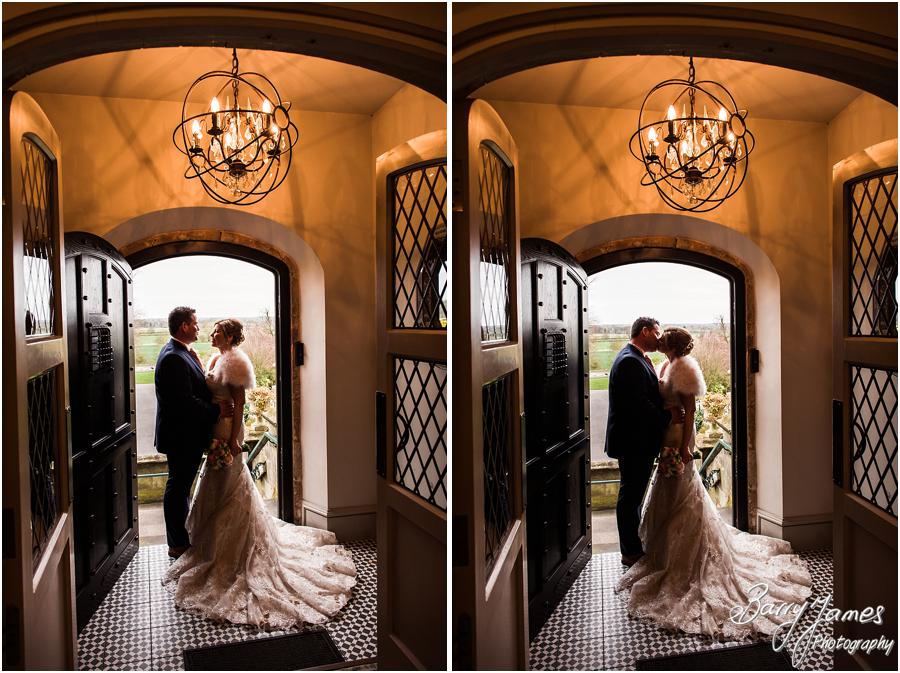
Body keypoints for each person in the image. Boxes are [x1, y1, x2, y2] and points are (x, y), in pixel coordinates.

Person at [616, 327, 812, 640]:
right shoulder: (665, 365)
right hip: (667, 434)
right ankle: (663, 550)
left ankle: (688, 555)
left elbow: (690, 410)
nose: (660, 338)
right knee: (667, 492)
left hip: (679, 439)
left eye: (664, 336)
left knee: (684, 492)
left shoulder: (684, 368)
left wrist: (683, 448)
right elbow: (665, 402)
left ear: (672, 344)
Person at [162, 318, 357, 629]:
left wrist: (235, 439)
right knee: (213, 485)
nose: (210, 333)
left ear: (228, 336)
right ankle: (208, 543)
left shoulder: (237, 361)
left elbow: (240, 404)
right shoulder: (214, 357)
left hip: (226, 432)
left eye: (216, 331)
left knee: (231, 485)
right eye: (209, 328)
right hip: (213, 428)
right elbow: (206, 386)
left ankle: (235, 550)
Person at [155, 306, 233, 559]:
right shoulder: (173, 357)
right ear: (184, 326)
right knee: (177, 488)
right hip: (181, 436)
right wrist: (216, 410)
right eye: (196, 323)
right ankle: (177, 543)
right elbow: (183, 402)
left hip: (185, 435)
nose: (199, 328)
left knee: (180, 487)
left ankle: (180, 539)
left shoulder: (181, 352)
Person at [605, 316, 683, 567]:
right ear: (646, 331)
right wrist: (668, 415)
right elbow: (638, 407)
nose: (660, 339)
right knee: (630, 497)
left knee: (633, 495)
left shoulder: (635, 357)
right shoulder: (629, 361)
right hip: (633, 441)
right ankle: (629, 552)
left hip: (637, 440)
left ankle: (633, 546)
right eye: (657, 333)